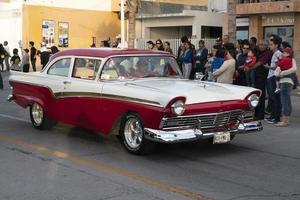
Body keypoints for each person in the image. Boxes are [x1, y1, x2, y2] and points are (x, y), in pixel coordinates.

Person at [245, 40, 272, 120]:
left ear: (266, 46)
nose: (261, 46)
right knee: (256, 95)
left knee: (261, 95)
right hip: (256, 76)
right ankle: (256, 113)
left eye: (263, 44)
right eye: (260, 44)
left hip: (263, 76)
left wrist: (250, 68)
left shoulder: (267, 53)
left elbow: (260, 63)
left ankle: (260, 115)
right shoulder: (258, 52)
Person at [274, 54, 297, 126]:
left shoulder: (284, 61)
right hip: (289, 82)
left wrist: (282, 73)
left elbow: (276, 73)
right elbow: (293, 70)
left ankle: (284, 121)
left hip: (284, 83)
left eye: (284, 52)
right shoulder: (290, 60)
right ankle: (287, 120)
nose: (282, 54)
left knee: (284, 102)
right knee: (287, 102)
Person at [265, 35, 282, 124]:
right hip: (271, 76)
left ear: (276, 45)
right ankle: (273, 116)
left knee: (275, 98)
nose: (269, 46)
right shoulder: (275, 53)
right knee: (272, 98)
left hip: (273, 77)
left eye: (271, 44)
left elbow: (278, 65)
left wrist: (269, 67)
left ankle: (276, 118)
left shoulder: (278, 53)